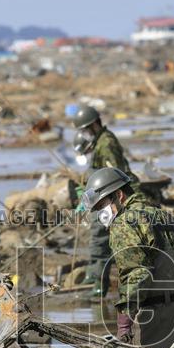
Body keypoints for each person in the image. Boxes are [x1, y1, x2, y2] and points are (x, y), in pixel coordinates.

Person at [83, 167, 174, 348]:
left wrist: (124, 321)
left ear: (119, 195)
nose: (100, 213)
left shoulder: (125, 223)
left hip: (158, 319)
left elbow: (137, 274)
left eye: (102, 205)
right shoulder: (173, 220)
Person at [71, 106, 140, 296]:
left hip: (113, 198)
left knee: (102, 239)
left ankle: (100, 285)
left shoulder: (106, 143)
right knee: (98, 237)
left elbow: (114, 176)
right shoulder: (100, 142)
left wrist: (99, 201)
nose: (84, 134)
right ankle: (95, 276)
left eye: (85, 130)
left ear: (94, 124)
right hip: (104, 197)